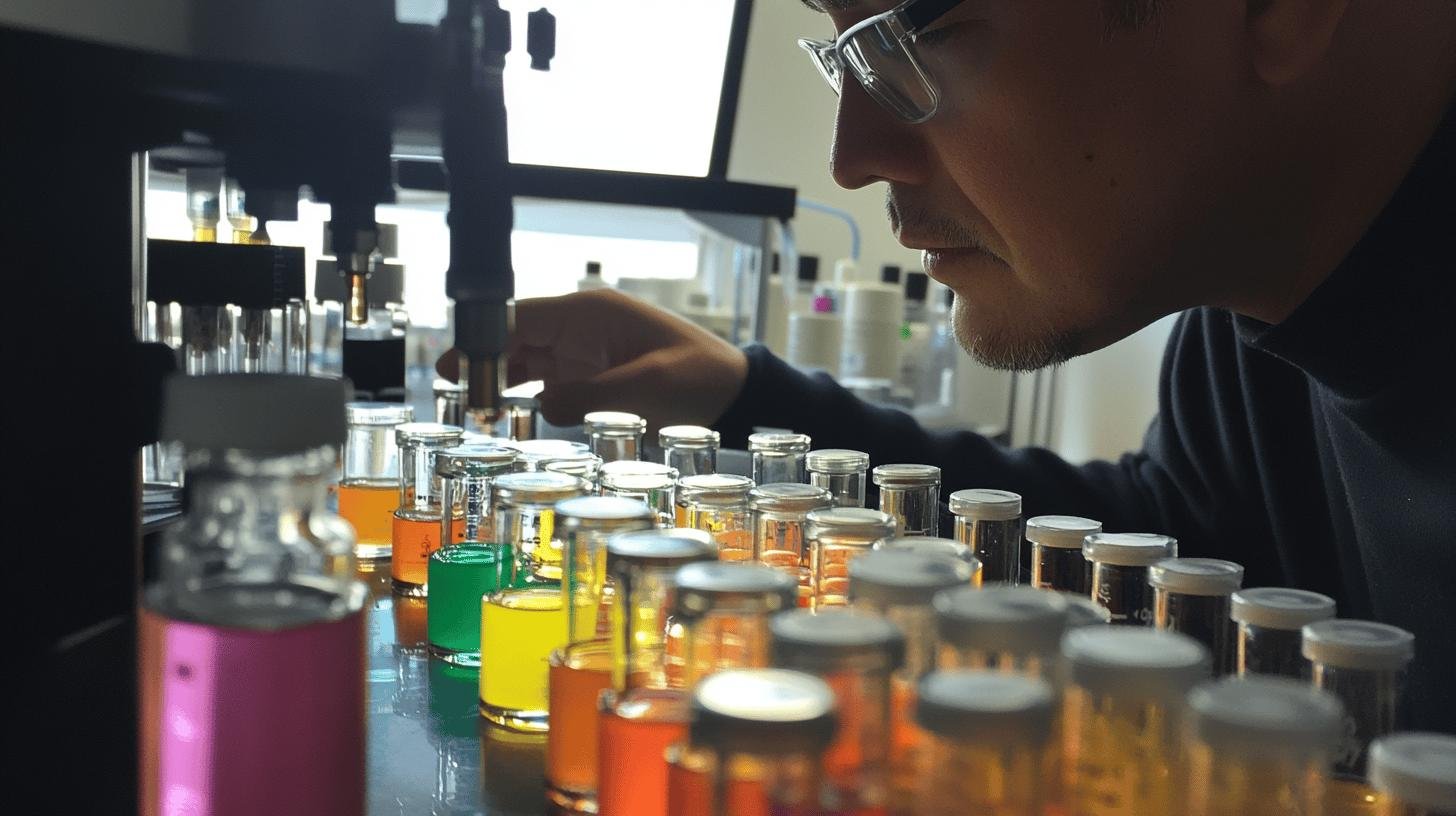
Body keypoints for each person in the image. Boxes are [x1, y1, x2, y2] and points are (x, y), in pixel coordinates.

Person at [443, 1, 1456, 730]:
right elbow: (1170, 549)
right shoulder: (1256, 314)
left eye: (915, 34)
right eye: (839, 50)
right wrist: (742, 399)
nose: (853, 152)